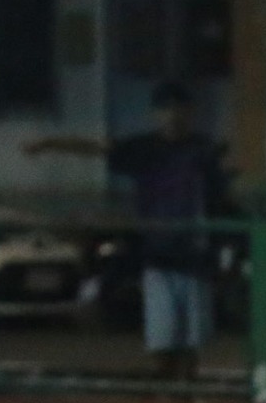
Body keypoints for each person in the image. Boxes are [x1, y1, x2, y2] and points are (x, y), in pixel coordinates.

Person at [24, 81, 227, 382]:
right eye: (165, 109)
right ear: (155, 114)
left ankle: (186, 392)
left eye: (179, 108)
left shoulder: (203, 150)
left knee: (190, 343)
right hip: (158, 255)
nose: (172, 116)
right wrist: (49, 143)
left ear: (190, 112)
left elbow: (219, 198)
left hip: (194, 257)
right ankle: (169, 392)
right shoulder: (144, 148)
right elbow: (98, 147)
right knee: (162, 339)